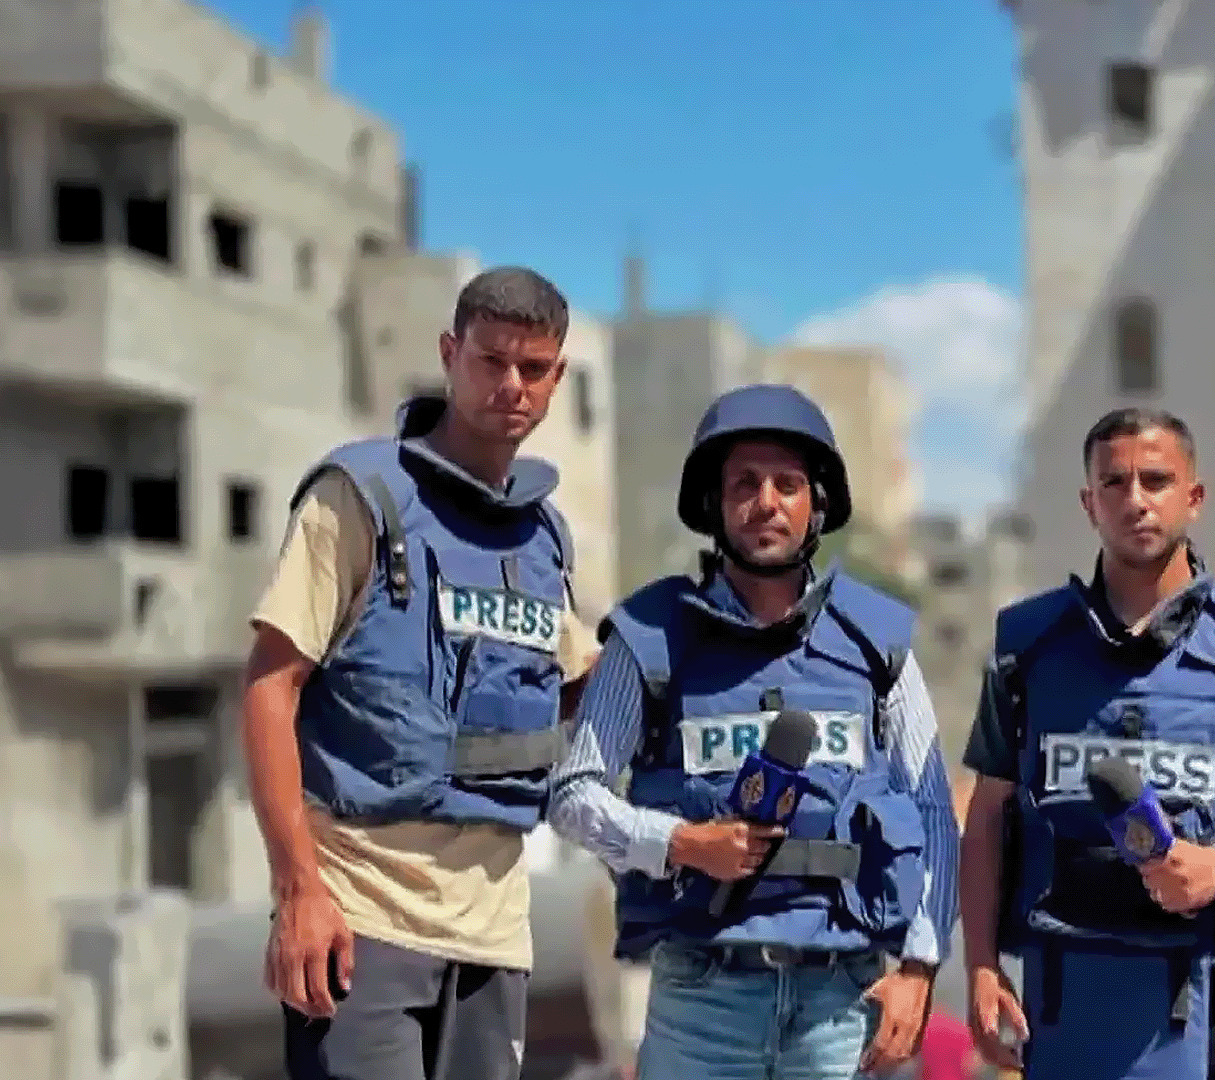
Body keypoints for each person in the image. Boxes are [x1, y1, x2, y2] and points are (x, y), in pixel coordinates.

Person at [241, 266, 600, 1080]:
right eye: (491, 360)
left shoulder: (541, 536)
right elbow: (269, 686)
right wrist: (298, 892)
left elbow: (581, 684)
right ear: (449, 355)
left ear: (557, 378)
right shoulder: (358, 496)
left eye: (533, 368)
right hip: (362, 917)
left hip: (494, 935)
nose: (511, 385)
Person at [546, 382, 962, 1080]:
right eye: (744, 483)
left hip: (839, 1004)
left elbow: (932, 809)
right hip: (700, 1003)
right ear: (713, 504)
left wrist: (920, 967)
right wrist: (682, 843)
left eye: (787, 484)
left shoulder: (876, 643)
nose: (766, 501)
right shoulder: (650, 636)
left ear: (815, 504)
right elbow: (572, 794)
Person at [959, 407, 1215, 1080]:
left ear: (1193, 497)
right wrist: (980, 964)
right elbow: (989, 810)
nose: (1135, 499)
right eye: (1114, 483)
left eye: (1156, 480)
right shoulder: (1028, 646)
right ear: (1089, 504)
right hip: (1071, 993)